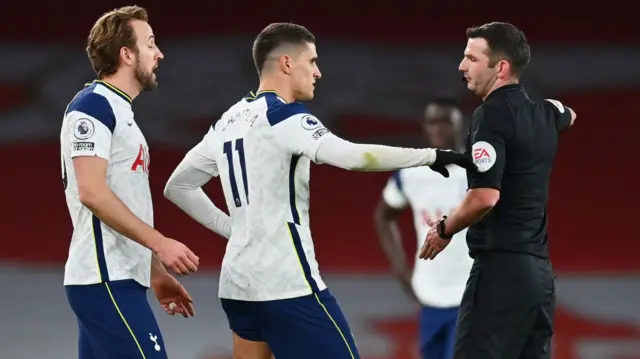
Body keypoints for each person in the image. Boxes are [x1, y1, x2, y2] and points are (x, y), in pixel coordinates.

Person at [163, 22, 476, 359]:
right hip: (286, 284)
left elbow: (178, 186)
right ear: (286, 63)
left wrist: (234, 229)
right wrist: (430, 156)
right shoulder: (285, 117)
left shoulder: (228, 119)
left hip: (236, 286)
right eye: (311, 61)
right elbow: (354, 157)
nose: (318, 72)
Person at [419, 22, 577, 359]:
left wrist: (445, 229)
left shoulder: (489, 115)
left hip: (499, 275)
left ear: (501, 67)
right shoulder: (545, 114)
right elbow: (569, 114)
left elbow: (485, 197)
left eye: (471, 58)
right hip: (540, 279)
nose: (462, 66)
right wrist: (551, 108)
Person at [60, 6, 199, 359]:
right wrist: (160, 243)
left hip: (118, 278)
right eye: (150, 43)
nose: (159, 53)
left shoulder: (121, 113)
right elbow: (91, 192)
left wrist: (153, 271)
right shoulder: (92, 108)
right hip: (105, 279)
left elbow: (123, 200)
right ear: (126, 54)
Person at [373, 96, 473, 359]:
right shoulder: (411, 173)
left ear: (460, 125)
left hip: (472, 294)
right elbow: (384, 215)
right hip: (429, 293)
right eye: (432, 121)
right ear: (424, 127)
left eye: (446, 121)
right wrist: (401, 269)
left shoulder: (478, 172)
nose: (439, 128)